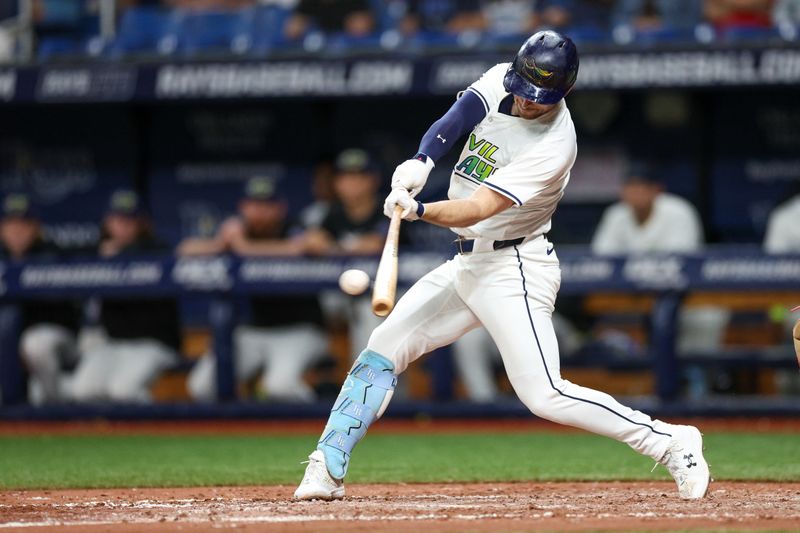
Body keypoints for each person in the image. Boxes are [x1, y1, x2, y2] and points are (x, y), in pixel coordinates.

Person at [295, 30, 709, 502]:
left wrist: (419, 210)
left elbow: (478, 207)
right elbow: (457, 117)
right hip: (468, 262)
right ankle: (327, 466)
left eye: (539, 97)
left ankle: (671, 441)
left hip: (516, 265)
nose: (527, 102)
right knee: (381, 349)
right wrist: (422, 161)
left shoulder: (555, 145)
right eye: (523, 90)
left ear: (565, 91)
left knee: (544, 394)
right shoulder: (503, 79)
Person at [182, 177, 328, 403]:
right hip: (253, 331)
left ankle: (327, 423)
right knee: (202, 386)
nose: (259, 211)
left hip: (300, 330)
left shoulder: (294, 227)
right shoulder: (236, 233)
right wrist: (219, 243)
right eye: (253, 205)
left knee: (279, 387)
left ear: (280, 207)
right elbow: (185, 249)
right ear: (243, 207)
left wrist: (243, 247)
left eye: (266, 205)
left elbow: (317, 243)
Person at [591, 167, 729, 359]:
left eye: (642, 187)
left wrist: (635, 267)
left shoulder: (678, 211)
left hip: (686, 298)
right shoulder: (615, 215)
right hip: (633, 299)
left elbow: (680, 263)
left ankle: (699, 381)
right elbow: (602, 259)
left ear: (656, 190)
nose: (636, 193)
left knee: (706, 320)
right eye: (630, 187)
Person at [68, 189, 181, 403]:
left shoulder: (157, 249)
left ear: (141, 223)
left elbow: (165, 254)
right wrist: (104, 258)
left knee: (123, 391)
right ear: (108, 221)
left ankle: (158, 430)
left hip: (154, 344)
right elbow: (64, 259)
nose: (123, 225)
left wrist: (121, 255)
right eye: (118, 219)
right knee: (80, 391)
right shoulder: (97, 251)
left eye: (130, 219)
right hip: (114, 344)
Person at [302, 149, 394, 356]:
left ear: (373, 180)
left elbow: (376, 244)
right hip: (344, 292)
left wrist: (335, 247)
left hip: (390, 291)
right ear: (337, 183)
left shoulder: (389, 208)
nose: (352, 183)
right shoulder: (332, 213)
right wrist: (344, 246)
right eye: (346, 177)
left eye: (359, 176)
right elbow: (312, 242)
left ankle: (377, 383)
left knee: (370, 316)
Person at [1, 194, 83, 405]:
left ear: (36, 227)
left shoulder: (53, 255)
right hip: (10, 343)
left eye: (24, 224)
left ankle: (54, 408)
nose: (17, 230)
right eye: (11, 224)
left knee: (36, 342)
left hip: (58, 339)